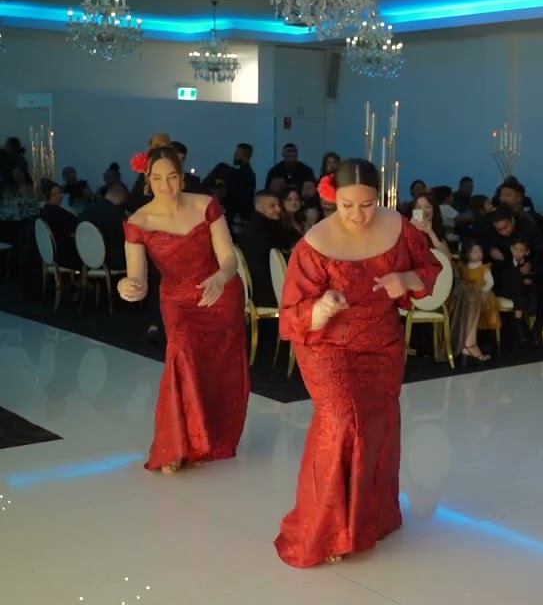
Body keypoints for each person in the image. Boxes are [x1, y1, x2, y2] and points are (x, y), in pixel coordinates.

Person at [275, 159, 442, 568]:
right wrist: (321, 307)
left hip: (382, 344)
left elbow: (431, 268)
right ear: (333, 198)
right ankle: (328, 527)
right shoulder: (315, 244)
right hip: (327, 345)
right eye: (347, 205)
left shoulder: (399, 228)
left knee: (377, 424)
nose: (357, 215)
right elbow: (291, 315)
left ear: (378, 197)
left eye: (367, 205)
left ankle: (370, 517)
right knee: (340, 421)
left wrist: (405, 281)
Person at [117, 144, 248, 475]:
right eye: (158, 178)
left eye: (172, 176)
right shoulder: (139, 221)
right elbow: (137, 277)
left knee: (217, 369)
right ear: (148, 180)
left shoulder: (206, 205)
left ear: (182, 177)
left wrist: (221, 278)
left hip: (219, 294)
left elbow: (228, 257)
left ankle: (209, 436)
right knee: (181, 354)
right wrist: (127, 287)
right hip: (178, 300)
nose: (166, 185)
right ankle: (174, 446)